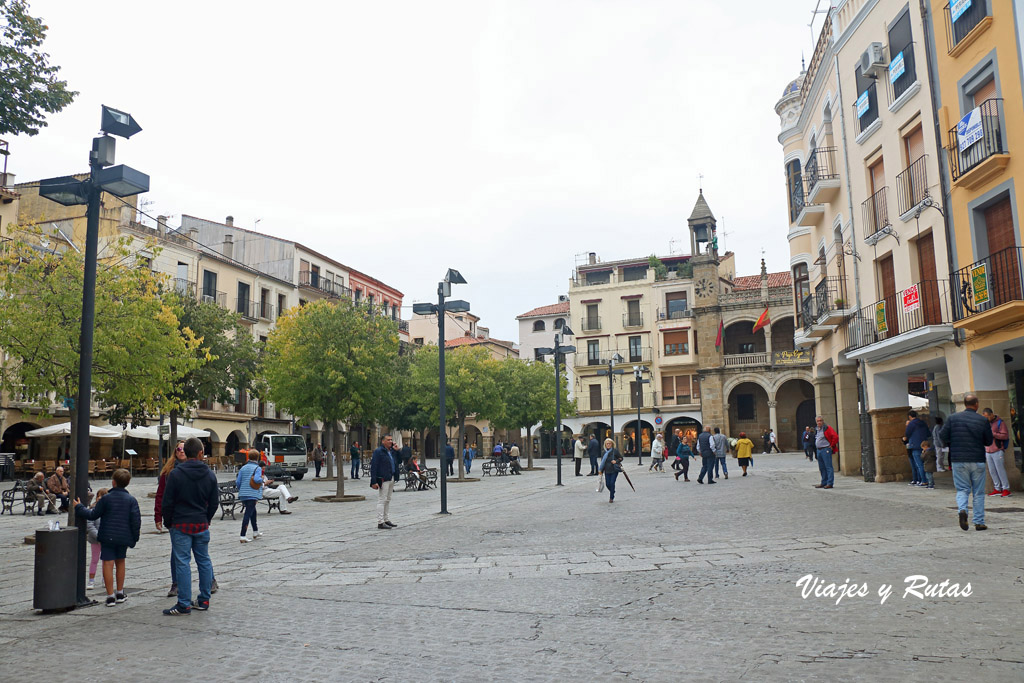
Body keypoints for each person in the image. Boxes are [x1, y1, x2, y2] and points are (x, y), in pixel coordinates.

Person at [160, 436, 219, 615]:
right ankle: (204, 599)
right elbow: (214, 502)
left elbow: (167, 502)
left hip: (180, 523)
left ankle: (184, 603)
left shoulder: (176, 474)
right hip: (200, 523)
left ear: (186, 453)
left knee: (182, 563)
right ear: (201, 453)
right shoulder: (209, 474)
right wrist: (206, 518)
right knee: (204, 560)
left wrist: (169, 522)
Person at [73, 468, 141, 608]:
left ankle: (110, 596)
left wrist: (79, 507)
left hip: (108, 536)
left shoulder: (106, 498)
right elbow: (136, 521)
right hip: (124, 536)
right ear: (127, 483)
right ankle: (120, 593)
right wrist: (134, 538)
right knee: (121, 562)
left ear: (113, 482)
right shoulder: (131, 500)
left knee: (107, 563)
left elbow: (93, 515)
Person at [940, 393, 993, 531]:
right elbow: (988, 441)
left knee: (962, 489)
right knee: (978, 492)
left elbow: (942, 435)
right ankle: (979, 522)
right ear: (976, 404)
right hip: (977, 459)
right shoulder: (982, 420)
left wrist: (953, 441)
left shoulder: (953, 418)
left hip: (959, 459)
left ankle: (962, 510)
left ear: (964, 404)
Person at [155, 442, 187, 597]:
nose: (181, 451)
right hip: (175, 517)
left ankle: (210, 579)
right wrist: (158, 516)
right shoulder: (168, 471)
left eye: (184, 449)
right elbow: (160, 494)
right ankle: (176, 584)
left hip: (193, 516)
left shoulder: (196, 468)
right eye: (179, 449)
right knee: (176, 552)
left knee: (201, 552)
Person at [982, 408, 1011, 497]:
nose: (986, 419)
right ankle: (997, 488)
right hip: (988, 450)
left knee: (1000, 470)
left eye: (987, 417)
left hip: (997, 450)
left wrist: (993, 434)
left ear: (991, 414)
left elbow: (1005, 436)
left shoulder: (1000, 423)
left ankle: (1006, 488)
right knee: (992, 471)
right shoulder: (985, 424)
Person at [235, 450, 264, 543]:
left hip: (243, 493)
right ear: (257, 458)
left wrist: (241, 489)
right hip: (252, 493)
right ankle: (242, 535)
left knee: (252, 511)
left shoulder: (243, 468)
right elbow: (256, 479)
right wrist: (262, 480)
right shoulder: (257, 468)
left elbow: (238, 482)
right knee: (247, 514)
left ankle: (255, 531)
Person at [370, 435, 397, 530]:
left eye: (391, 439)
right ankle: (380, 521)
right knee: (382, 499)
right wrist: (373, 481)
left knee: (388, 499)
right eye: (388, 440)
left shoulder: (391, 451)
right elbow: (374, 466)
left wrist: (397, 451)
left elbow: (399, 461)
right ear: (383, 441)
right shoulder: (378, 452)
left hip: (391, 477)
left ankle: (386, 519)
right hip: (383, 478)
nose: (390, 441)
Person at [86, 488, 107, 590]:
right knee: (94, 559)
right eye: (98, 495)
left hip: (106, 539)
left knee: (105, 560)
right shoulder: (92, 509)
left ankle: (105, 578)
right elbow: (90, 525)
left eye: (102, 496)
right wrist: (98, 536)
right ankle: (91, 580)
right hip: (95, 539)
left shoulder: (108, 510)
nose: (99, 498)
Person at [904, 410, 930, 487]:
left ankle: (923, 480)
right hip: (924, 445)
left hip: (915, 445)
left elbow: (907, 434)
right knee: (924, 464)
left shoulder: (911, 424)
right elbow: (928, 433)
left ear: (910, 416)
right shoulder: (923, 423)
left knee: (919, 465)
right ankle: (926, 479)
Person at [813, 416, 839, 489]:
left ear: (823, 421)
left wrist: (831, 445)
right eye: (818, 421)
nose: (819, 422)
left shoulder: (827, 428)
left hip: (825, 449)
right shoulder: (817, 429)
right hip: (819, 450)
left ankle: (829, 483)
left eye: (820, 421)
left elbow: (835, 436)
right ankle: (823, 482)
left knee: (828, 466)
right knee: (822, 467)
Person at [598, 438, 623, 503]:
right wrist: (601, 470)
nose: (608, 445)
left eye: (609, 443)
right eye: (607, 444)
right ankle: (612, 491)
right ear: (605, 445)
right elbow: (603, 462)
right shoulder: (604, 452)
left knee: (612, 483)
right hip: (607, 470)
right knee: (608, 484)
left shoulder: (615, 451)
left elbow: (621, 458)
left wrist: (616, 461)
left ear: (612, 444)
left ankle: (611, 497)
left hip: (614, 469)